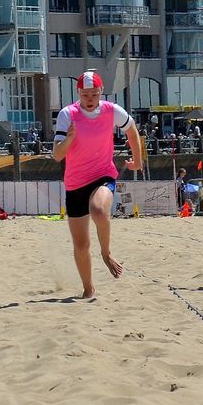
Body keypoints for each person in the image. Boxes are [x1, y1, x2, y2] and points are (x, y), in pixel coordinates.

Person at [53, 70, 145, 300]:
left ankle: (106, 252)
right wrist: (69, 139)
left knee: (98, 210)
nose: (90, 99)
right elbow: (57, 155)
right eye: (85, 95)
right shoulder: (67, 114)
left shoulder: (112, 110)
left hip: (103, 174)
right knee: (81, 245)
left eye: (94, 94)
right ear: (78, 93)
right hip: (75, 182)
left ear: (101, 92)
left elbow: (132, 130)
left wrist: (138, 161)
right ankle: (88, 288)